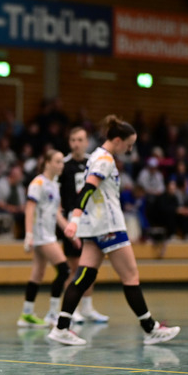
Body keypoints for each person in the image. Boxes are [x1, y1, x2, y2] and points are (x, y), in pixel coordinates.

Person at [48, 115, 180, 346]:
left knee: (84, 276)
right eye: (128, 145)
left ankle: (61, 327)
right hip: (109, 227)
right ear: (117, 140)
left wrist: (79, 222)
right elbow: (88, 189)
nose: (129, 150)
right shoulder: (104, 159)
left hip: (95, 227)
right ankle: (150, 328)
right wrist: (74, 220)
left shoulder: (95, 156)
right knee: (130, 276)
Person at [17, 150, 73, 328]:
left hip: (49, 234)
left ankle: (26, 314)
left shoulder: (54, 184)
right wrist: (29, 235)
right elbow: (29, 209)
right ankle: (53, 314)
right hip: (41, 235)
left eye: (62, 162)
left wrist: (69, 229)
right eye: (57, 161)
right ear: (47, 163)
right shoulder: (38, 183)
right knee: (64, 270)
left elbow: (56, 213)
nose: (61, 165)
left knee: (38, 273)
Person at [57, 127, 109, 323]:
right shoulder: (64, 165)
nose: (76, 144)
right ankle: (72, 309)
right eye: (73, 140)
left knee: (90, 267)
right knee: (75, 268)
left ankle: (87, 308)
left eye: (80, 140)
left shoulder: (93, 163)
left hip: (92, 221)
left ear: (87, 142)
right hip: (72, 222)